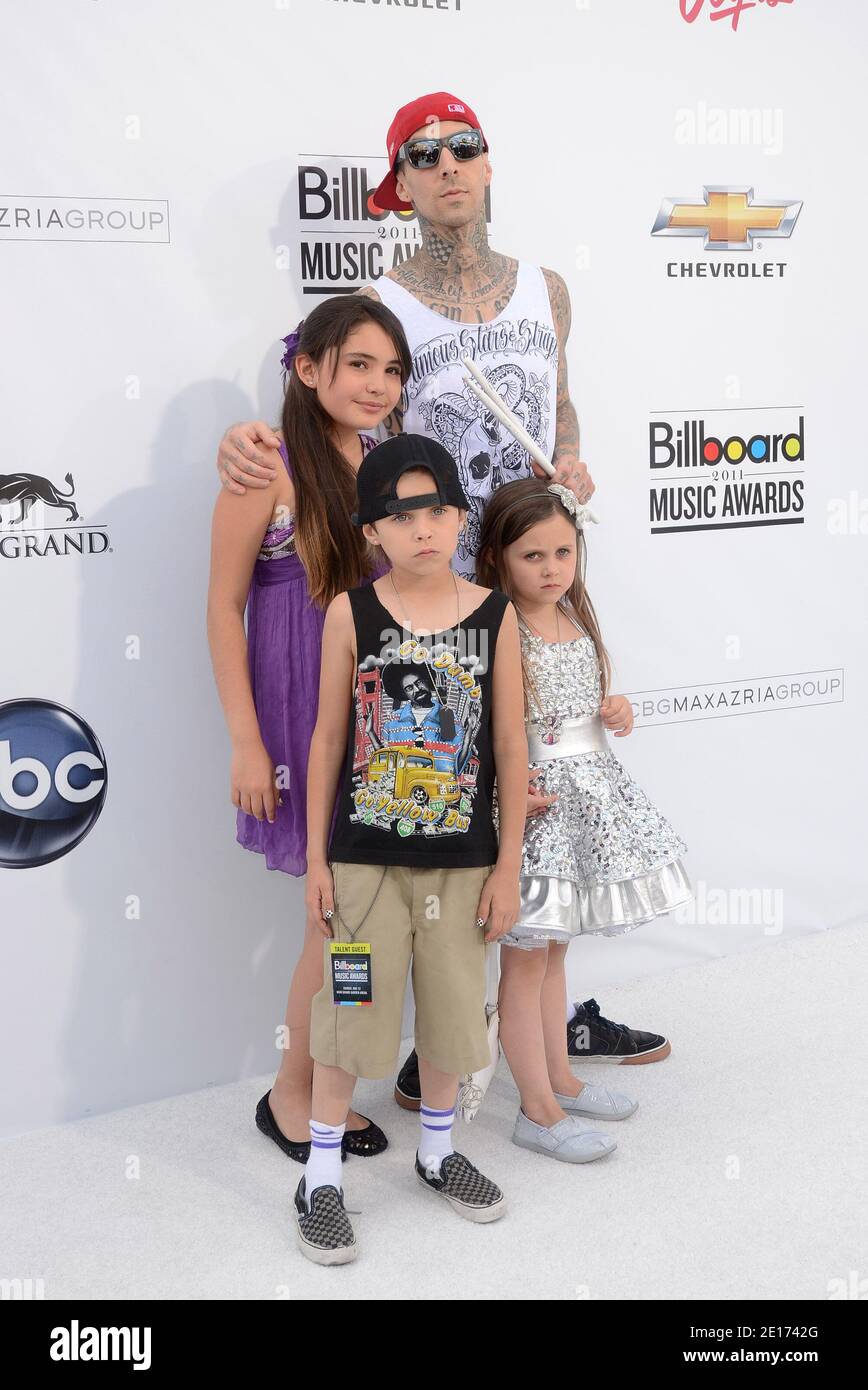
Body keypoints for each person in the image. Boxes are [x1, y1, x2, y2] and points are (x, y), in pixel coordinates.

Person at [213, 90, 671, 1086]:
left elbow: (560, 403)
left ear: (488, 163)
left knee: (550, 807)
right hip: (434, 610)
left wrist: (571, 458)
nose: (449, 164)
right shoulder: (382, 300)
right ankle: (442, 1051)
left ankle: (543, 1020)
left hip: (538, 584)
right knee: (451, 829)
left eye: (465, 147)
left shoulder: (545, 288)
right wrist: (242, 442)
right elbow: (325, 418)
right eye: (424, 154)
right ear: (400, 185)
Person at [295, 435, 528, 1263]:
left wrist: (508, 865)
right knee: (349, 1015)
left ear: (459, 517)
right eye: (402, 514)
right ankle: (321, 1176)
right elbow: (327, 739)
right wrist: (318, 860)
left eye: (437, 510)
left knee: (454, 1015)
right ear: (373, 532)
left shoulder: (495, 616)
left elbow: (508, 744)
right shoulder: (349, 614)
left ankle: (436, 1152)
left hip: (463, 866)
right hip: (364, 863)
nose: (422, 527)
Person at [207, 295, 411, 1163]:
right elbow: (222, 609)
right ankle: (293, 1096)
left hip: (384, 717)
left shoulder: (392, 463)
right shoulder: (268, 465)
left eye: (391, 369)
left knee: (361, 916)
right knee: (334, 919)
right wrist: (247, 742)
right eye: (358, 364)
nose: (377, 384)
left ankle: (332, 1083)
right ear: (308, 367)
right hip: (301, 718)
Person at [475, 477, 693, 1161]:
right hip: (536, 813)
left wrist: (613, 709)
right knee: (524, 964)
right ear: (499, 560)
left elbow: (583, 700)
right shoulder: (502, 625)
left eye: (562, 553)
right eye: (532, 556)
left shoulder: (575, 615)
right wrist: (506, 799)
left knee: (556, 954)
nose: (550, 569)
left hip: (587, 805)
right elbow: (490, 729)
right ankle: (534, 1110)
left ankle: (561, 1079)